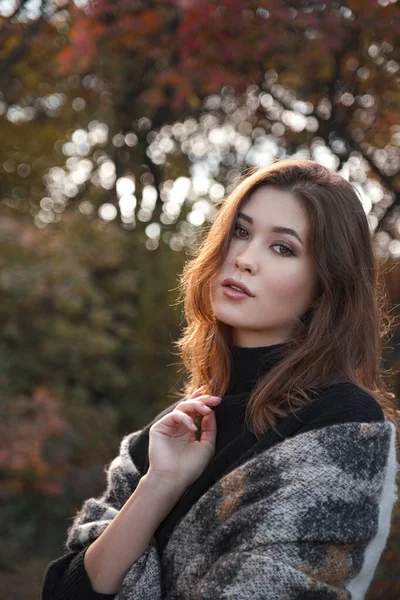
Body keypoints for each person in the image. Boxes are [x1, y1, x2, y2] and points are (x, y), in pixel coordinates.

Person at [42, 159, 399, 600]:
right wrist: (159, 485)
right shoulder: (176, 427)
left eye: (283, 248)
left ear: (326, 287)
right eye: (241, 232)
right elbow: (66, 591)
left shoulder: (340, 423)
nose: (244, 260)